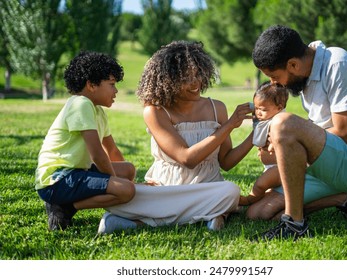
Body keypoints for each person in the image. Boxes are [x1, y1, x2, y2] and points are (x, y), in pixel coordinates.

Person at [97, 40, 254, 234]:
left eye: (198, 74)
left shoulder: (217, 108)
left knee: (230, 191)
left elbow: (227, 162)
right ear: (168, 80)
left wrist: (255, 135)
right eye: (186, 77)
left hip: (207, 186)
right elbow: (187, 158)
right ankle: (213, 215)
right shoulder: (154, 111)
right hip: (166, 189)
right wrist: (229, 125)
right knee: (119, 196)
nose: (195, 82)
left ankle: (141, 223)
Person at [250, 25, 347, 240]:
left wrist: (288, 139)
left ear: (292, 64)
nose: (274, 84)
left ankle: (295, 225)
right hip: (325, 161)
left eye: (275, 77)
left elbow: (346, 133)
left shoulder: (339, 64)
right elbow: (318, 130)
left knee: (283, 123)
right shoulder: (305, 75)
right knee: (258, 213)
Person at [35, 51, 136, 231]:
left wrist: (128, 180)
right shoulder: (80, 104)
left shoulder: (98, 112)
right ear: (91, 85)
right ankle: (65, 208)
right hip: (57, 180)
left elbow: (112, 151)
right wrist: (120, 184)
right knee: (126, 191)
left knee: (128, 170)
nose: (116, 91)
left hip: (77, 171)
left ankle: (65, 205)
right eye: (111, 85)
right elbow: (97, 154)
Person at [239, 81, 288, 207]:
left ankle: (248, 200)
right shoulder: (266, 118)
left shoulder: (279, 123)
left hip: (280, 167)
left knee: (260, 185)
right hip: (270, 166)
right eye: (256, 108)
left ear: (279, 108)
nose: (258, 113)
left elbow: (260, 141)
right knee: (267, 192)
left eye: (263, 110)